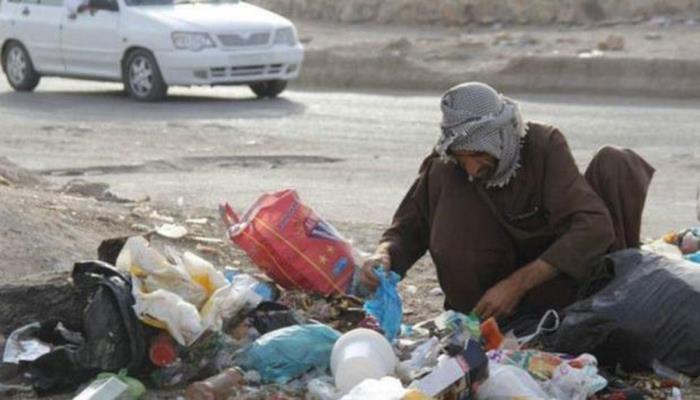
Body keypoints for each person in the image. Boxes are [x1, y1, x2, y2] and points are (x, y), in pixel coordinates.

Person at [360, 82, 654, 325]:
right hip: (485, 305)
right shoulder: (449, 166)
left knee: (618, 162)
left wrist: (516, 286)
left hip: (556, 283)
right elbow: (407, 229)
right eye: (462, 160)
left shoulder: (543, 147)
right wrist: (383, 257)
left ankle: (616, 298)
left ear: (500, 139)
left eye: (478, 156)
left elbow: (592, 225)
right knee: (445, 182)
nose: (472, 170)